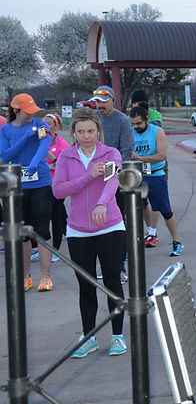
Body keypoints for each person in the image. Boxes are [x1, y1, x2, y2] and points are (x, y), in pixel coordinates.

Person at [52, 108, 127, 357]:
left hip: (110, 226)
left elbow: (112, 182)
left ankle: (118, 336)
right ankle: (89, 336)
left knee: (112, 281)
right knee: (86, 285)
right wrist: (87, 176)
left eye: (91, 131)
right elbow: (58, 191)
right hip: (78, 230)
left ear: (98, 131)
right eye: (81, 131)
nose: (86, 136)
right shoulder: (66, 157)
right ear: (73, 132)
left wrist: (101, 204)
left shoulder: (111, 154)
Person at [0, 94, 55, 292]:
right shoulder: (5, 130)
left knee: (42, 229)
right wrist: (24, 138)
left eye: (33, 110)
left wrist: (34, 163)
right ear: (16, 111)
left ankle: (46, 276)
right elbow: (6, 155)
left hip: (40, 183)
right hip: (17, 186)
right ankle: (26, 276)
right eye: (27, 111)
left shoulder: (41, 125)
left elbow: (44, 145)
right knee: (22, 232)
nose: (32, 114)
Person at [89, 85, 133, 283]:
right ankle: (102, 264)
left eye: (104, 101)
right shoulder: (92, 120)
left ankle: (119, 266)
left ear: (114, 100)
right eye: (97, 102)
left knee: (116, 222)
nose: (100, 105)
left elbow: (127, 149)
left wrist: (114, 173)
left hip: (115, 177)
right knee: (97, 221)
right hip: (93, 178)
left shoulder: (122, 120)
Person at [129, 106, 183, 256]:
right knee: (134, 211)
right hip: (137, 176)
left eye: (139, 123)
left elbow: (161, 155)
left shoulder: (157, 132)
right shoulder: (130, 132)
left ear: (146, 119)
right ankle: (136, 242)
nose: (136, 127)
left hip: (155, 175)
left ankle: (176, 242)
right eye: (133, 124)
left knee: (165, 210)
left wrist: (141, 158)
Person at [129, 89, 163, 245]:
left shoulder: (155, 115)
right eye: (134, 104)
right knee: (142, 200)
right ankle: (149, 229)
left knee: (156, 199)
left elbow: (151, 130)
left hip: (154, 164)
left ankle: (153, 232)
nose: (135, 106)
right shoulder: (131, 117)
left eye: (138, 103)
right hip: (138, 165)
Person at [43, 113, 70, 261]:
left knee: (56, 216)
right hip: (41, 185)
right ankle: (70, 233)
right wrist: (48, 166)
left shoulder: (61, 143)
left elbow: (64, 163)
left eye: (49, 123)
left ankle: (56, 249)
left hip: (57, 185)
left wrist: (51, 160)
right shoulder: (37, 141)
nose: (45, 126)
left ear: (56, 126)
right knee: (58, 215)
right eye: (43, 123)